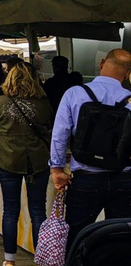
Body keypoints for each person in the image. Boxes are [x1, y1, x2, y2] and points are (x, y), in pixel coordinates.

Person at [50, 48, 131, 249]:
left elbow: (60, 134)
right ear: (128, 74)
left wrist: (57, 169)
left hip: (85, 179)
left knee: (77, 236)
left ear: (102, 63)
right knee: (121, 238)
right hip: (124, 179)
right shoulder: (130, 100)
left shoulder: (75, 94)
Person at [0, 62, 51, 266]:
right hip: (37, 161)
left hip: (7, 159)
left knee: (11, 210)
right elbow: (49, 126)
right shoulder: (43, 103)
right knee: (38, 211)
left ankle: (9, 262)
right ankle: (40, 264)